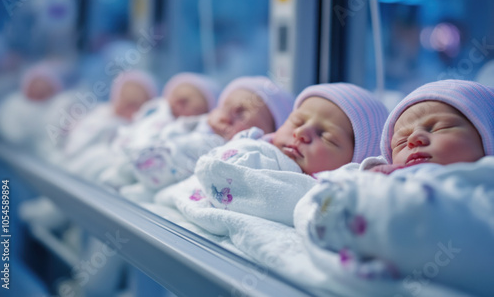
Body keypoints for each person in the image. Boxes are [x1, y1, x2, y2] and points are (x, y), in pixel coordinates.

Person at [294, 79, 494, 297]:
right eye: (401, 141)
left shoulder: (482, 180)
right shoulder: (385, 178)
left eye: (440, 128)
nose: (414, 139)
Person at [154, 83, 389, 227]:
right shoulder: (254, 146)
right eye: (297, 121)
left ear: (354, 161)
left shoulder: (324, 192)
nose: (302, 133)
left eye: (326, 136)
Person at [115, 76, 294, 201]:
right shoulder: (198, 126)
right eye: (223, 108)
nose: (225, 116)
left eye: (241, 114)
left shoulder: (254, 156)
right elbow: (169, 138)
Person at [60, 70, 157, 178]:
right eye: (124, 98)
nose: (127, 105)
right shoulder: (99, 114)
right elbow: (74, 143)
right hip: (70, 168)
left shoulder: (142, 131)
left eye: (134, 104)